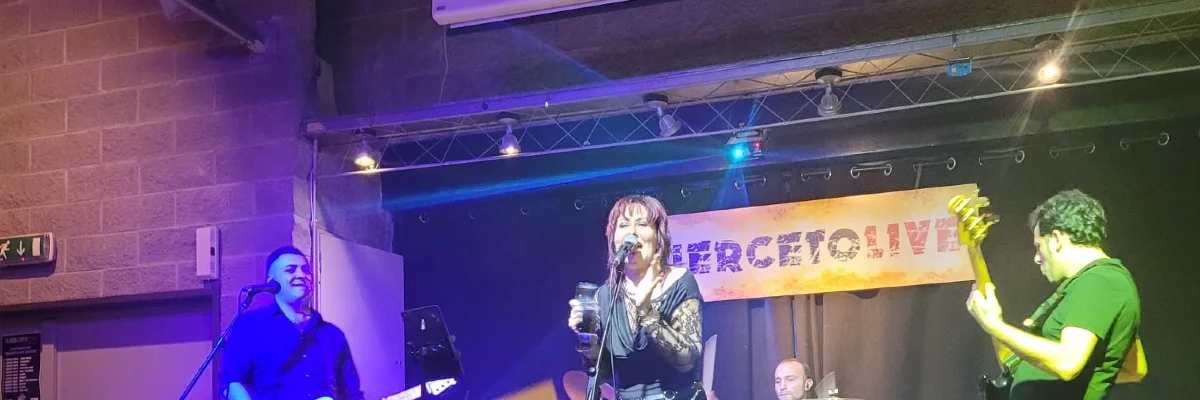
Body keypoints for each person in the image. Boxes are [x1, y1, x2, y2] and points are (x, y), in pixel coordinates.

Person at [966, 189, 1147, 400]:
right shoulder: (1092, 284)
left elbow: (1068, 362)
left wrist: (995, 326)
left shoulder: (1103, 281)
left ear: (1056, 239)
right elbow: (1135, 368)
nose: (1036, 258)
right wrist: (974, 252)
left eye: (1038, 246)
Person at [568, 194, 707, 400]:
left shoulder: (680, 281)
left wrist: (647, 313)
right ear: (613, 239)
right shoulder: (605, 295)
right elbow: (603, 372)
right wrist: (587, 339)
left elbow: (686, 360)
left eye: (642, 224)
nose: (631, 232)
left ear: (658, 236)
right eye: (623, 225)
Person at [221, 246, 365, 400]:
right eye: (290, 270)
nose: (301, 275)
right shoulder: (250, 326)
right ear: (271, 281)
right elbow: (233, 382)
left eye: (306, 270)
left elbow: (352, 393)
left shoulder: (333, 335)